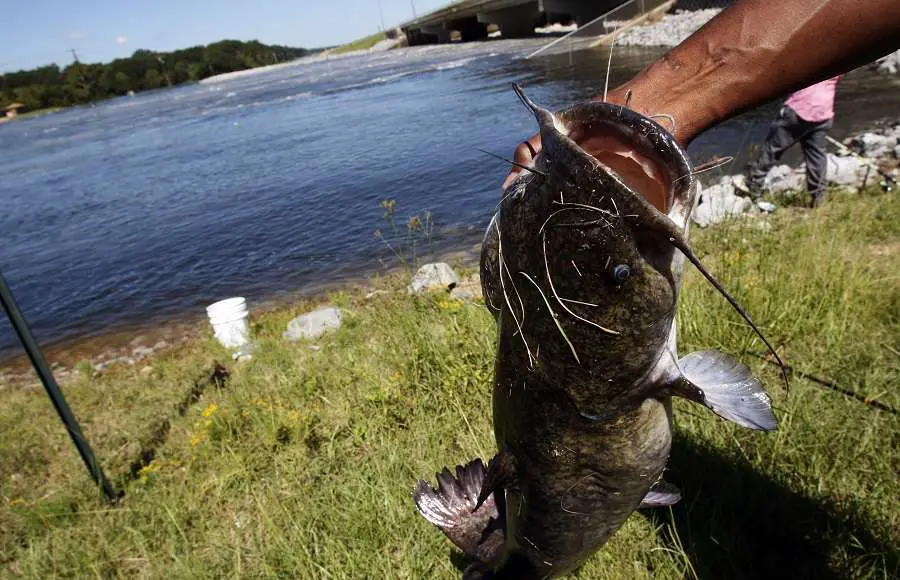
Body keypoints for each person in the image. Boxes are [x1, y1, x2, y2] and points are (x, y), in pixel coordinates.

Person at [502, 0, 900, 191]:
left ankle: (760, 185)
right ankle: (808, 194)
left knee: (771, 155)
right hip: (820, 116)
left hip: (798, 114)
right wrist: (640, 115)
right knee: (807, 158)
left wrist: (636, 118)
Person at [740, 76, 841, 207]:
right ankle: (819, 197)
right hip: (824, 110)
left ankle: (754, 184)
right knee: (817, 156)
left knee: (773, 148)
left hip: (800, 108)